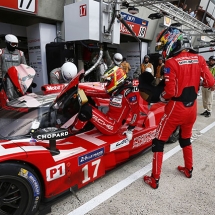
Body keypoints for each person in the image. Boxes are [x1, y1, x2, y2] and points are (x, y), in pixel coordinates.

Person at [143, 27, 215, 189]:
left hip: (176, 109)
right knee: (185, 139)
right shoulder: (200, 59)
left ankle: (154, 179)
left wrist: (159, 98)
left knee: (158, 142)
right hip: (192, 109)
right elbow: (211, 83)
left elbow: (170, 92)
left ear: (173, 42)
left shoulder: (171, 62)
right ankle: (188, 169)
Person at [73, 66, 139, 137]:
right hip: (107, 120)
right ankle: (78, 126)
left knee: (87, 110)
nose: (106, 84)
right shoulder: (115, 91)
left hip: (113, 127)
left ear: (116, 79)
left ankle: (73, 130)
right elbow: (98, 93)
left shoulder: (128, 94)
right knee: (86, 102)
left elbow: (136, 111)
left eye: (108, 82)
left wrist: (130, 128)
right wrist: (81, 91)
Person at [0, 34, 27, 100]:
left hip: (18, 79)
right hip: (5, 79)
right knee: (8, 97)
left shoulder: (20, 53)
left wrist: (26, 79)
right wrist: (0, 78)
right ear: (7, 43)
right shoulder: (1, 52)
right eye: (13, 44)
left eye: (16, 44)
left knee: (20, 97)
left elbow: (24, 67)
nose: (15, 46)